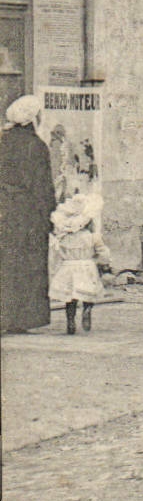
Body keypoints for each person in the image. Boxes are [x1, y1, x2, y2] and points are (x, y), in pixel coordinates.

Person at [1, 95, 55, 333]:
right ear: (33, 118)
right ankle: (20, 319)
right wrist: (51, 215)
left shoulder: (3, 141)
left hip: (4, 213)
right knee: (27, 266)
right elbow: (43, 185)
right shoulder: (36, 145)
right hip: (28, 215)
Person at [48, 192, 110, 335]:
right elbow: (103, 252)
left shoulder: (63, 239)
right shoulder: (93, 237)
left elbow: (56, 255)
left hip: (68, 268)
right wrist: (104, 265)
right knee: (89, 293)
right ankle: (87, 309)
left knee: (70, 297)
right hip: (87, 267)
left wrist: (56, 268)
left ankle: (70, 321)